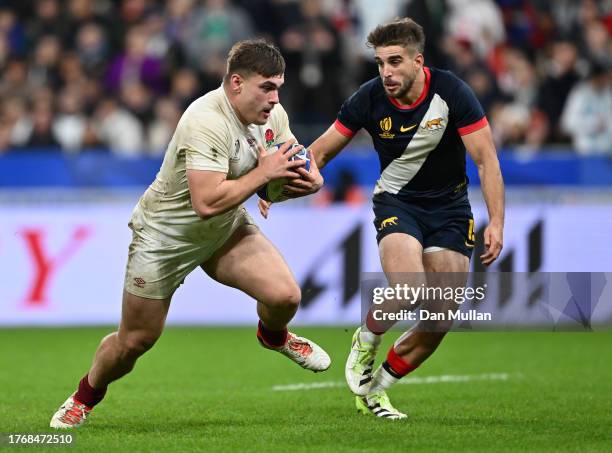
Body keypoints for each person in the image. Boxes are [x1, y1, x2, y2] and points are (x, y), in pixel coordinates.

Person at [50, 39, 331, 429]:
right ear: (236, 83)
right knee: (135, 341)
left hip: (224, 229)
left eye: (278, 87)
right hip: (164, 238)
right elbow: (206, 202)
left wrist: (307, 180)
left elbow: (287, 167)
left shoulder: (273, 115)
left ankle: (274, 336)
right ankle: (85, 395)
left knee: (285, 296)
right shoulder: (205, 120)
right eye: (266, 87)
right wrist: (263, 177)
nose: (274, 98)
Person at [259, 18, 504, 419]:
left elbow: (486, 160)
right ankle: (366, 338)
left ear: (417, 60)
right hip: (397, 204)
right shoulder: (369, 98)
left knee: (440, 317)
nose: (386, 72)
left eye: (394, 62)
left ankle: (376, 390)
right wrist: (275, 189)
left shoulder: (452, 92)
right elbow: (319, 153)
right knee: (408, 289)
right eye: (379, 63)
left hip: (451, 210)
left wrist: (497, 220)